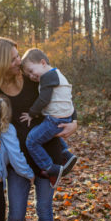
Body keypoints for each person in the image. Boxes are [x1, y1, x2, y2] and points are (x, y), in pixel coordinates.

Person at [0, 36, 77, 221]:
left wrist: (74, 121)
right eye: (13, 59)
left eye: (18, 56)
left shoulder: (33, 77)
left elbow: (62, 98)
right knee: (15, 218)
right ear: (0, 63)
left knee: (45, 212)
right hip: (18, 162)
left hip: (47, 156)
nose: (19, 61)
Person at [20, 48, 77, 189]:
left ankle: (50, 168)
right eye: (28, 75)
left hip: (55, 118)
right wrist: (73, 119)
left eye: (32, 71)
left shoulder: (47, 78)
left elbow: (43, 99)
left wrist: (31, 114)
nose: (32, 76)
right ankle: (66, 155)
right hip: (66, 116)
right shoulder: (58, 74)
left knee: (32, 140)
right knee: (50, 135)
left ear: (43, 62)